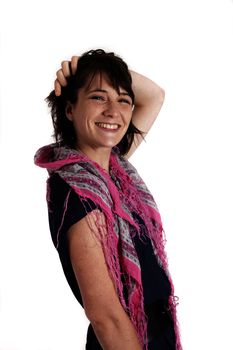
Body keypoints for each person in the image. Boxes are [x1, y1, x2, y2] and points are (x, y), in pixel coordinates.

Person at [34, 49, 182, 350]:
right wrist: (87, 72)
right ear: (70, 109)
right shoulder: (80, 194)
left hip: (155, 336)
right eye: (98, 97)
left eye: (123, 100)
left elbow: (154, 95)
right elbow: (106, 317)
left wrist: (89, 69)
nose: (114, 111)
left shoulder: (112, 171)